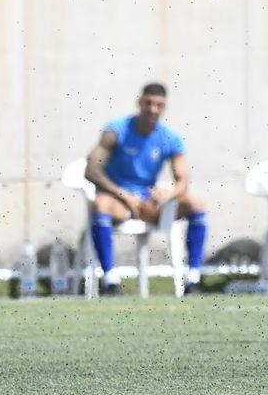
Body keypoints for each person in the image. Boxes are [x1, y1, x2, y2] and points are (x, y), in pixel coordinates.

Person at [84, 83, 208, 295]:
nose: (152, 109)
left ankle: (193, 279)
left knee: (196, 204)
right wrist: (124, 195)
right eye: (148, 103)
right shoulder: (117, 130)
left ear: (165, 106)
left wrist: (167, 194)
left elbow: (183, 181)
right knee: (100, 204)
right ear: (139, 103)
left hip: (148, 202)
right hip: (118, 200)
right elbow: (92, 171)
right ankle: (110, 280)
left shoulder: (170, 137)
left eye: (159, 105)